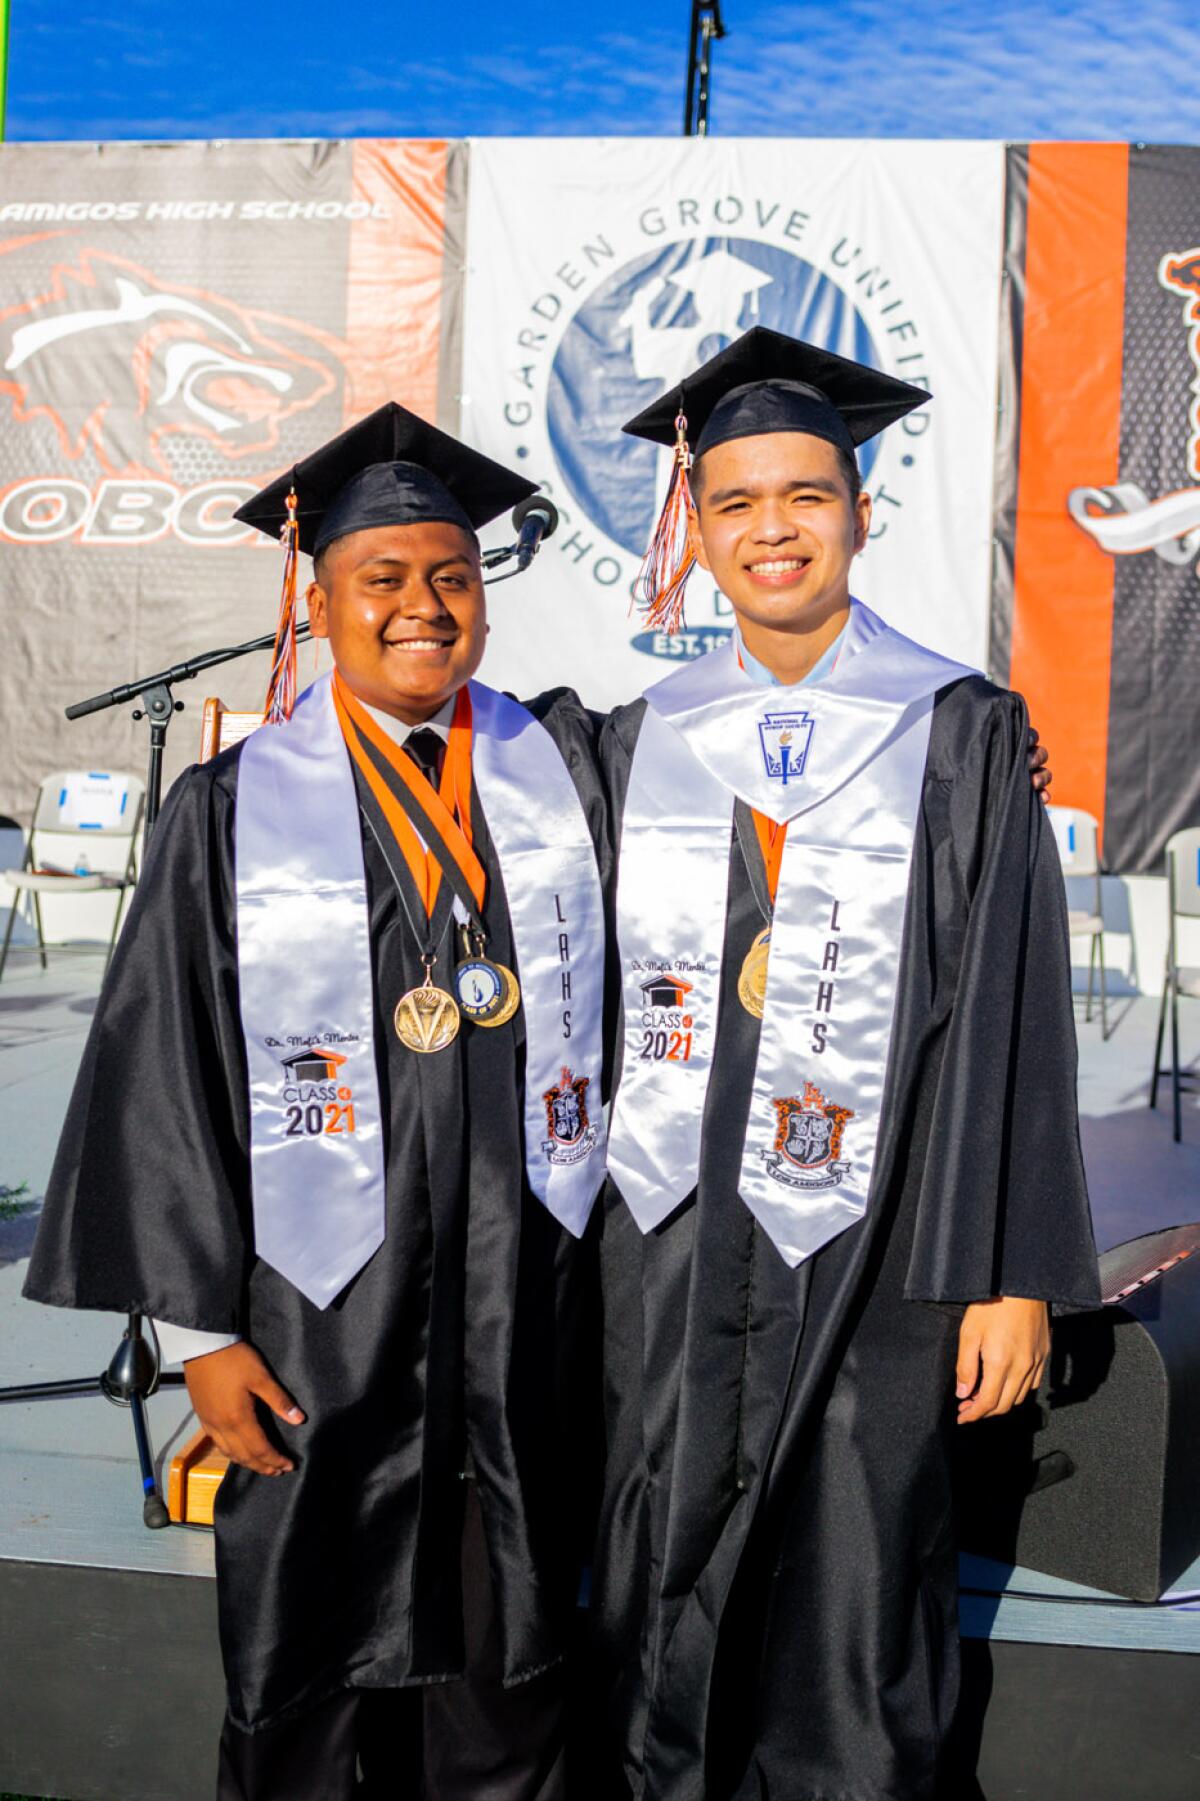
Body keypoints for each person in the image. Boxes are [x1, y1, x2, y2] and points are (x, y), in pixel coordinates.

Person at [23, 405, 610, 1801]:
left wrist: (975, 747)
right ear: (321, 599)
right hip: (309, 1325)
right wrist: (201, 1333)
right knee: (303, 1663)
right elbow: (165, 1074)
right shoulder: (232, 809)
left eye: (453, 578)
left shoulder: (564, 770)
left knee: (508, 1655)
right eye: (383, 581)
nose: (423, 607)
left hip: (518, 1310)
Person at [588, 327, 1099, 1801]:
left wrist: (1011, 1271)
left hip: (881, 1249)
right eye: (737, 502)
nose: (771, 530)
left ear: (861, 513)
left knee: (861, 1579)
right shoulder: (640, 739)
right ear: (701, 528)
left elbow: (1013, 1013)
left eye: (805, 495)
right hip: (680, 1248)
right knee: (667, 1558)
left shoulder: (962, 732)